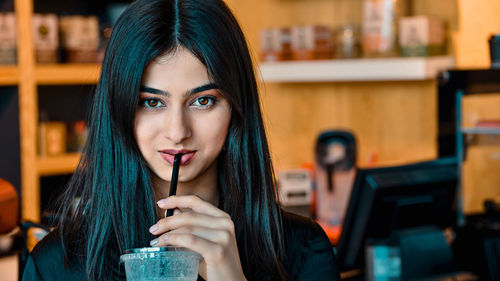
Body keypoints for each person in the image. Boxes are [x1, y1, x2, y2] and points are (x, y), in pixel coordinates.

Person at [22, 0, 340, 280]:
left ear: (236, 107)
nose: (177, 131)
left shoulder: (303, 250)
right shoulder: (55, 266)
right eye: (151, 102)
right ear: (118, 110)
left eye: (202, 101)